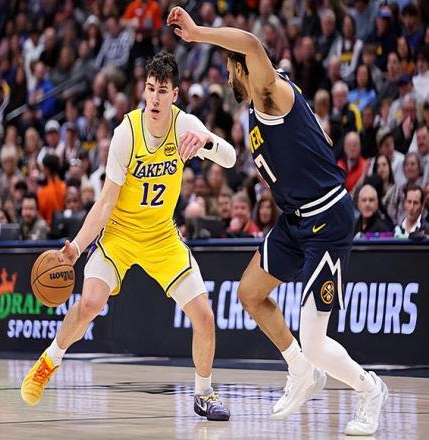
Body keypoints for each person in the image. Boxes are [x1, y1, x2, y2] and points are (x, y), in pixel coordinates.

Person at [168, 7, 388, 435]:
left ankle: (370, 390)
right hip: (295, 220)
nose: (227, 80)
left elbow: (251, 43)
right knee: (249, 293)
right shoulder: (259, 106)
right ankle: (301, 370)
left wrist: (196, 33)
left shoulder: (270, 91)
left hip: (326, 217)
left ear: (241, 67)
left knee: (316, 341)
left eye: (229, 70)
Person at [21, 52, 235, 421]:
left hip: (162, 236)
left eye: (162, 91)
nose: (154, 98)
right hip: (119, 234)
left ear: (175, 95)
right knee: (90, 303)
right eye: (150, 89)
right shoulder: (127, 133)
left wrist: (207, 140)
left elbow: (229, 158)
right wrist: (76, 247)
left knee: (204, 316)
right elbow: (105, 202)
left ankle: (203, 394)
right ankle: (48, 361)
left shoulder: (186, 125)